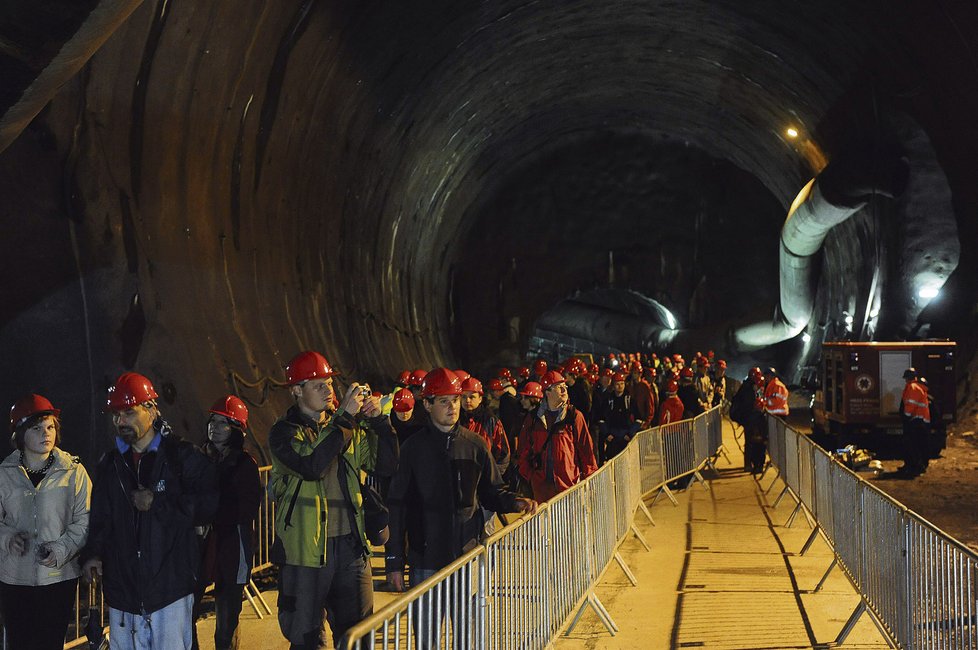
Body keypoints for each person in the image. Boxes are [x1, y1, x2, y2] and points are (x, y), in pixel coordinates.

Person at [268, 350, 398, 649]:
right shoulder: (284, 433)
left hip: (350, 549)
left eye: (329, 383)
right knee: (306, 639)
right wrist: (346, 418)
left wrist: (378, 422)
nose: (329, 390)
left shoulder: (345, 426)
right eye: (318, 385)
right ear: (297, 391)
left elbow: (385, 465)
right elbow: (312, 465)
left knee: (357, 636)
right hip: (305, 554)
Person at [81, 372, 218, 650]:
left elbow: (210, 505)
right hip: (123, 595)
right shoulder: (110, 465)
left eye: (129, 412)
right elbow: (101, 519)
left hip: (170, 593)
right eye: (116, 415)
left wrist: (158, 503)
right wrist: (93, 553)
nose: (121, 422)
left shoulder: (182, 457)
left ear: (152, 410)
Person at [384, 367, 536, 598]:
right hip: (425, 559)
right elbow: (397, 506)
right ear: (427, 404)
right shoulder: (412, 449)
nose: (452, 407)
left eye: (455, 400)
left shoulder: (475, 445)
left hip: (466, 556)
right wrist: (394, 561)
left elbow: (491, 491)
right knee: (428, 634)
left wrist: (515, 502)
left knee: (469, 631)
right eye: (444, 401)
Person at [0, 394, 92, 650]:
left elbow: (84, 520)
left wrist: (61, 549)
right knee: (18, 643)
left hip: (58, 578)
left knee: (49, 644)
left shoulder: (73, 471)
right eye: (37, 428)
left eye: (50, 427)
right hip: (14, 579)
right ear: (20, 433)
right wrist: (7, 538)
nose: (46, 433)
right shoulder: (4, 473)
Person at [196, 396, 262, 650]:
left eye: (223, 422)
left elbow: (245, 509)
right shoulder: (200, 460)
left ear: (236, 430)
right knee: (188, 610)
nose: (215, 426)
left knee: (226, 621)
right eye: (213, 420)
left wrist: (209, 510)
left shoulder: (245, 465)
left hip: (232, 546)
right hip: (201, 544)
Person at [517, 370, 598, 502]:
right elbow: (523, 450)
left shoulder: (574, 416)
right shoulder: (533, 419)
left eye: (565, 387)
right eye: (559, 387)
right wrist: (530, 476)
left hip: (568, 486)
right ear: (547, 392)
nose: (564, 390)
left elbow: (586, 450)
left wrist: (591, 477)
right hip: (541, 489)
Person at [459, 377, 511, 475]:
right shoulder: (456, 419)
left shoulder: (490, 420)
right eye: (464, 397)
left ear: (480, 399)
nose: (467, 400)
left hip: (482, 478)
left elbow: (503, 453)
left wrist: (492, 477)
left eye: (472, 397)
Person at [899, 367, 930, 476]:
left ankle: (915, 467)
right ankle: (912, 466)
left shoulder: (913, 387)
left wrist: (906, 416)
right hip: (918, 421)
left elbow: (911, 404)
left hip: (916, 421)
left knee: (913, 445)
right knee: (915, 445)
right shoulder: (915, 387)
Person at [599, 372, 634, 460]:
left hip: (625, 437)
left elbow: (639, 419)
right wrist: (607, 434)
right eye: (617, 384)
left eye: (622, 383)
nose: (620, 386)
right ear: (613, 385)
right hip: (612, 438)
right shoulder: (608, 400)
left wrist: (630, 434)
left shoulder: (629, 399)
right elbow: (601, 418)